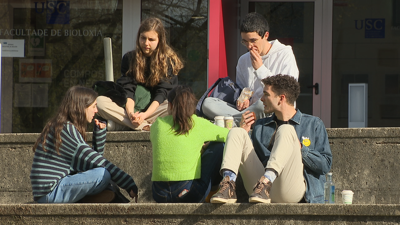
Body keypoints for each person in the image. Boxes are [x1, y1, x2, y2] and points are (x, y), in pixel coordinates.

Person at [210, 75, 332, 204]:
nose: (261, 99)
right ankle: (228, 185)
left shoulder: (313, 124)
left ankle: (267, 181)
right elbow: (251, 159)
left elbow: (325, 165)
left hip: (289, 190)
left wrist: (301, 149)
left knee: (286, 130)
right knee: (237, 132)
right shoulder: (261, 125)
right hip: (258, 189)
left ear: (281, 98)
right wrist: (245, 134)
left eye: (266, 95)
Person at [30, 86, 138, 203]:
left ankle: (92, 197)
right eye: (94, 106)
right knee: (103, 174)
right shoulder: (66, 131)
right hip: (50, 193)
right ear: (82, 107)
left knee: (105, 176)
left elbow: (91, 163)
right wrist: (128, 183)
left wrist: (99, 135)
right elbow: (98, 163)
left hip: (51, 191)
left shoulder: (62, 126)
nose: (96, 111)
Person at [201, 12, 299, 124]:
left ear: (266, 35)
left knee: (262, 104)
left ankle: (234, 122)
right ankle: (242, 121)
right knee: (208, 103)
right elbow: (244, 88)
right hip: (250, 111)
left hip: (270, 110)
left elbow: (287, 92)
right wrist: (243, 98)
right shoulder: (243, 60)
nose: (249, 46)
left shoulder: (284, 54)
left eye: (253, 41)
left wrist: (260, 68)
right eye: (245, 42)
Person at [97, 17, 183, 131]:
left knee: (178, 106)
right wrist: (132, 114)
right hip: (132, 110)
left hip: (156, 110)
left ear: (160, 41)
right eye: (143, 38)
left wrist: (144, 115)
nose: (146, 43)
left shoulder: (169, 61)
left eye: (151, 39)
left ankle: (124, 125)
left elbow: (161, 94)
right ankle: (146, 127)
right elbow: (128, 90)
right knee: (99, 102)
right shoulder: (129, 58)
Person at [150, 85, 229, 203]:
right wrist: (244, 128)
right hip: (187, 193)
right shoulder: (197, 123)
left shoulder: (158, 124)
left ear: (170, 105)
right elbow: (228, 135)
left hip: (159, 193)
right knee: (218, 146)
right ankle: (215, 190)